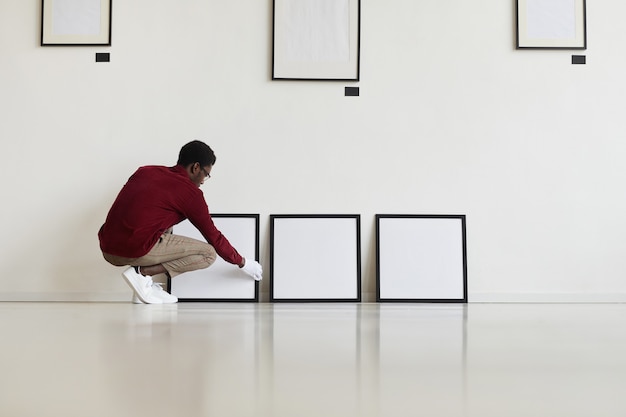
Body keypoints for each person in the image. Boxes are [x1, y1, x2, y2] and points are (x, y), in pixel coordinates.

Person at [98, 140, 262, 304]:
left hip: (107, 248)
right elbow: (214, 236)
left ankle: (141, 288)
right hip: (132, 250)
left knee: (161, 217)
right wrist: (243, 262)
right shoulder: (191, 194)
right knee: (208, 254)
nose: (204, 181)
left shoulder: (145, 171)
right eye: (206, 174)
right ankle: (142, 273)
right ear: (196, 167)